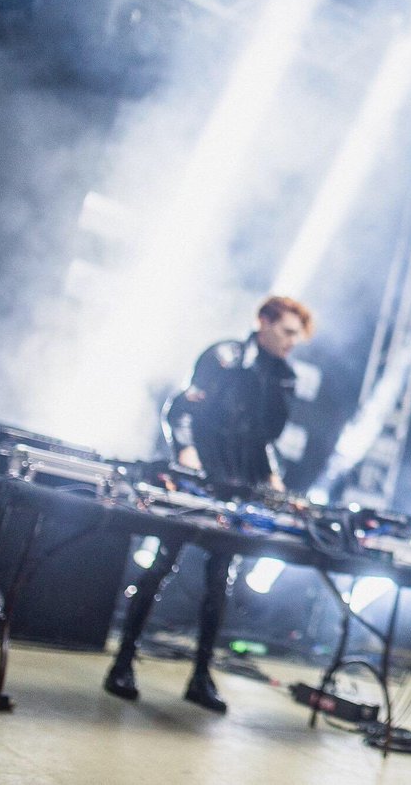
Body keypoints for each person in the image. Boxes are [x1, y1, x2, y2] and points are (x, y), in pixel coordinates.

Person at [103, 296, 314, 713]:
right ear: (264, 322)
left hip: (239, 486)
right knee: (161, 564)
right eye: (287, 331)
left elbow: (263, 438)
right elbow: (182, 408)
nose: (292, 342)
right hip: (197, 478)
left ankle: (201, 676)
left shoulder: (284, 378)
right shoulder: (224, 356)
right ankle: (122, 662)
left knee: (221, 582)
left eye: (297, 336)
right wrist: (186, 452)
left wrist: (272, 478)